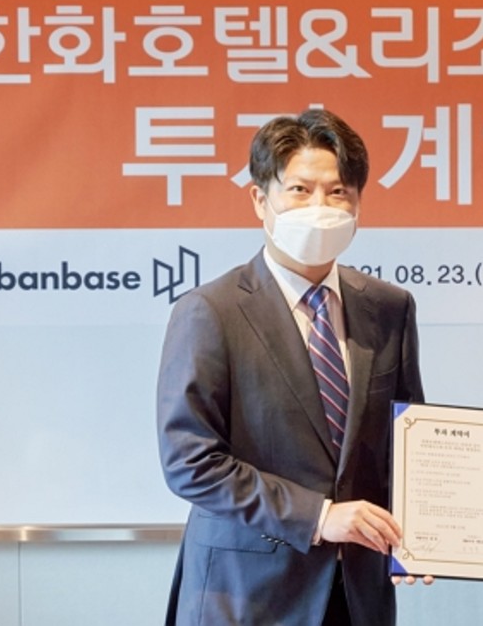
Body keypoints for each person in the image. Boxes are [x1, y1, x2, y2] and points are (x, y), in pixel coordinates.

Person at [157, 109, 425, 625]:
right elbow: (191, 462)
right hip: (247, 595)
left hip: (358, 595)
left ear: (358, 203)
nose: (320, 206)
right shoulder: (211, 311)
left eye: (338, 192)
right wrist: (319, 516)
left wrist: (433, 532)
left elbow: (408, 442)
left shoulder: (389, 308)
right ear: (261, 199)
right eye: (300, 190)